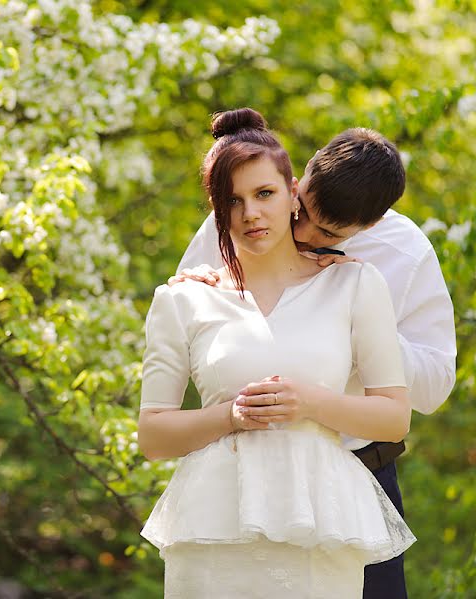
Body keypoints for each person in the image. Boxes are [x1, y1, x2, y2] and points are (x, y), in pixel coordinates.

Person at [137, 107, 416, 598]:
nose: (250, 213)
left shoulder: (355, 284)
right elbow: (154, 434)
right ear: (216, 209)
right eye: (233, 200)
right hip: (212, 524)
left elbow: (394, 418)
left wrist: (309, 404)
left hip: (322, 523)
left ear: (294, 197)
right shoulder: (182, 298)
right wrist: (231, 416)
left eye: (264, 193)